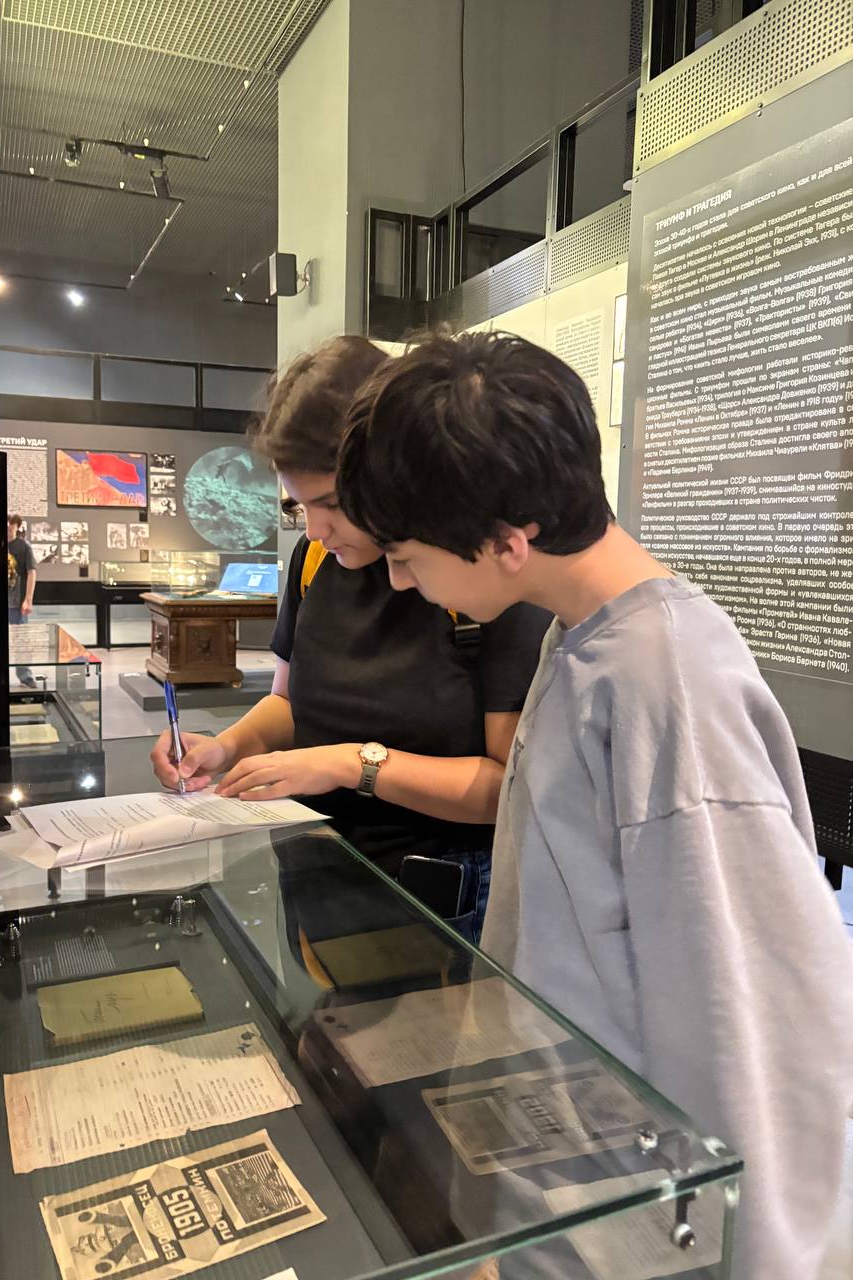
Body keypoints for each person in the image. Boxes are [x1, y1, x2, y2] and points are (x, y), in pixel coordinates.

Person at [336, 329, 853, 1280]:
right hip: (577, 1176)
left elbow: (753, 1023)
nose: (400, 579)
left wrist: (757, 1258)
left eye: (406, 555)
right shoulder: (583, 640)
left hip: (641, 1221)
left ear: (507, 542)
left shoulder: (668, 685)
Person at [152, 336, 551, 941]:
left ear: (389, 471)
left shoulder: (476, 576)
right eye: (299, 507)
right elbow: (289, 702)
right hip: (316, 864)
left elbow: (511, 789)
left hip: (435, 894)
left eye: (333, 503)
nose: (316, 529)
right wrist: (225, 748)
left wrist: (350, 765)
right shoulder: (314, 560)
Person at [7, 513, 37, 688]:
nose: (8, 529)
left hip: (17, 603)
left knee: (21, 640)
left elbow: (32, 572)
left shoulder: (24, 547)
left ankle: (25, 675)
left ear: (16, 527)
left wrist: (28, 599)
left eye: (11, 527)